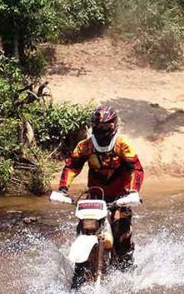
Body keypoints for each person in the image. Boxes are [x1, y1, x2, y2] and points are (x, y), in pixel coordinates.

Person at [58, 104, 144, 269]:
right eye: (98, 126)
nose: (102, 130)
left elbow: (136, 168)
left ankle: (126, 268)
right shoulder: (85, 146)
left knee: (120, 229)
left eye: (106, 126)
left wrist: (134, 192)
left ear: (114, 126)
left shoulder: (122, 144)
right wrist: (63, 189)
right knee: (84, 227)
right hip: (95, 198)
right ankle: (82, 266)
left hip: (121, 197)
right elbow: (71, 166)